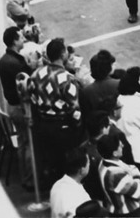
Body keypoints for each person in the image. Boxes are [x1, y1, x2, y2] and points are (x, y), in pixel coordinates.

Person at [28, 37, 85, 188]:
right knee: (66, 163)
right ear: (63, 55)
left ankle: (53, 184)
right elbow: (75, 110)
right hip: (62, 129)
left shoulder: (36, 75)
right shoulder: (67, 79)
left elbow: (32, 99)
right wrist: (78, 128)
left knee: (52, 159)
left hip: (43, 126)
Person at [0, 25, 34, 184]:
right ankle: (30, 179)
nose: (23, 39)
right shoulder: (16, 64)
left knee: (23, 141)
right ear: (14, 41)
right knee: (28, 143)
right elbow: (29, 83)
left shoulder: (5, 60)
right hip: (21, 109)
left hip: (13, 107)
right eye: (20, 37)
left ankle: (26, 175)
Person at [50, 148, 92, 218]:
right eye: (89, 163)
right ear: (82, 170)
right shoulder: (81, 197)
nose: (89, 165)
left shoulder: (57, 185)